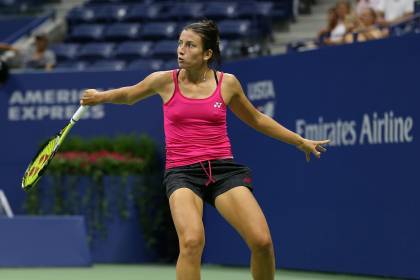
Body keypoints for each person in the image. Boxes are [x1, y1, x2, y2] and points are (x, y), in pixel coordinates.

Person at [80, 20, 329, 280]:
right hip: (182, 173)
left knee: (262, 241)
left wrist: (299, 141)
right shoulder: (164, 81)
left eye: (190, 45)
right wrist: (100, 96)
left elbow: (256, 119)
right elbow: (130, 95)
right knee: (191, 241)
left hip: (223, 170)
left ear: (207, 53)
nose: (181, 50)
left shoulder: (227, 83)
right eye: (180, 43)